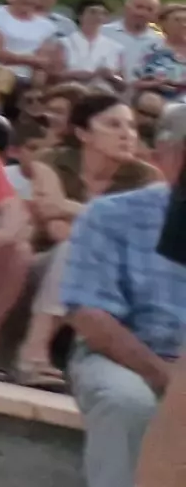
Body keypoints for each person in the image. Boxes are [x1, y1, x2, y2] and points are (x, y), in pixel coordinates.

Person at [54, 131, 186, 487]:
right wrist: (167, 377)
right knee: (126, 401)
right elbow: (89, 315)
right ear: (166, 156)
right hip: (120, 357)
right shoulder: (111, 214)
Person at [24, 94, 159, 390]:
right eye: (113, 125)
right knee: (74, 249)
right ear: (83, 133)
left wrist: (71, 209)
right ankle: (32, 354)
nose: (127, 134)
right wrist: (109, 230)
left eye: (131, 127)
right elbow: (55, 224)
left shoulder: (146, 178)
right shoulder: (50, 161)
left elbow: (138, 239)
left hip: (108, 279)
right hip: (41, 266)